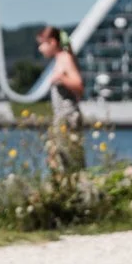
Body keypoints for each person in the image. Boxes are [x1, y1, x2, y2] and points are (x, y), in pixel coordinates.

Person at [36, 26, 85, 172]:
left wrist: (62, 78)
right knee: (58, 159)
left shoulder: (65, 58)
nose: (40, 49)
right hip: (62, 117)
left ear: (52, 42)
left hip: (68, 117)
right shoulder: (60, 59)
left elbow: (79, 85)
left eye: (41, 44)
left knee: (69, 159)